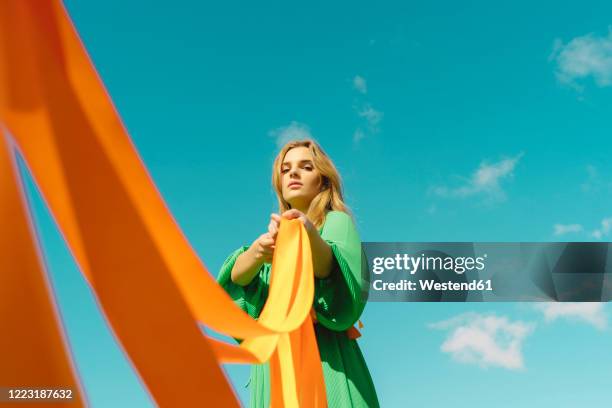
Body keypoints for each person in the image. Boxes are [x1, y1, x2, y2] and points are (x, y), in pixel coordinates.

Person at [217, 139, 379, 407]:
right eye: (286, 169)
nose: (293, 173)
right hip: (275, 365)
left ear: (323, 181)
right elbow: (235, 280)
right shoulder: (272, 240)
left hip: (324, 358)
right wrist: (258, 252)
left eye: (306, 167)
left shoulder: (336, 222)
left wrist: (308, 233)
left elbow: (332, 269)